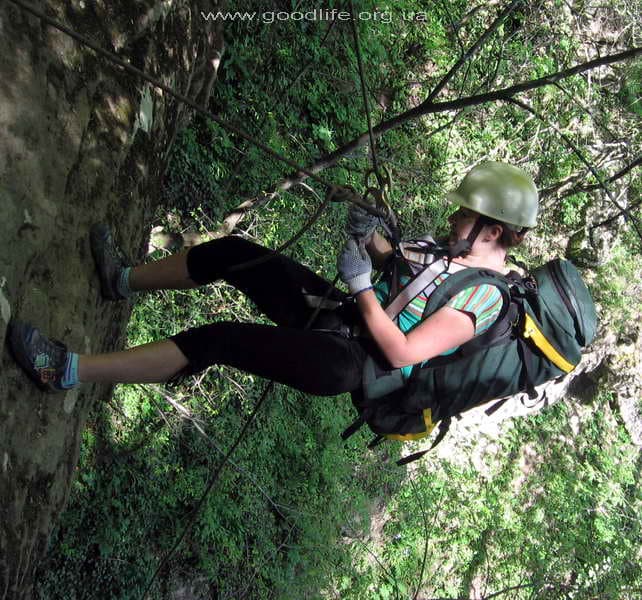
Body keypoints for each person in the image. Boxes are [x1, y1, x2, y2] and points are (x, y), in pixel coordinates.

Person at [8, 161, 538, 397]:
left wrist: (359, 286)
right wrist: (369, 236)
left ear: (492, 231)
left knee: (219, 340)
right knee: (235, 254)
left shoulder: (482, 300)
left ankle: (66, 371)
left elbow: (402, 352)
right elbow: (398, 268)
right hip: (340, 314)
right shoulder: (450, 249)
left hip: (349, 362)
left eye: (464, 215)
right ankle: (121, 280)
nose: (454, 219)